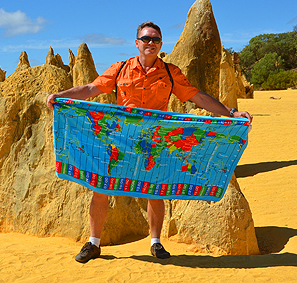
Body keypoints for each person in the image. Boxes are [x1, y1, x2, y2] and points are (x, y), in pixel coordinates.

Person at [46, 21, 253, 263]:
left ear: (161, 44)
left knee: (155, 191)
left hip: (155, 143)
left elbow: (197, 96)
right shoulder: (120, 68)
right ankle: (93, 243)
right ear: (137, 43)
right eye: (146, 39)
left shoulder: (170, 72)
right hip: (121, 142)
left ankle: (156, 243)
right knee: (101, 188)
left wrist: (230, 113)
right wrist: (61, 96)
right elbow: (91, 88)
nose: (150, 43)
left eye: (155, 39)